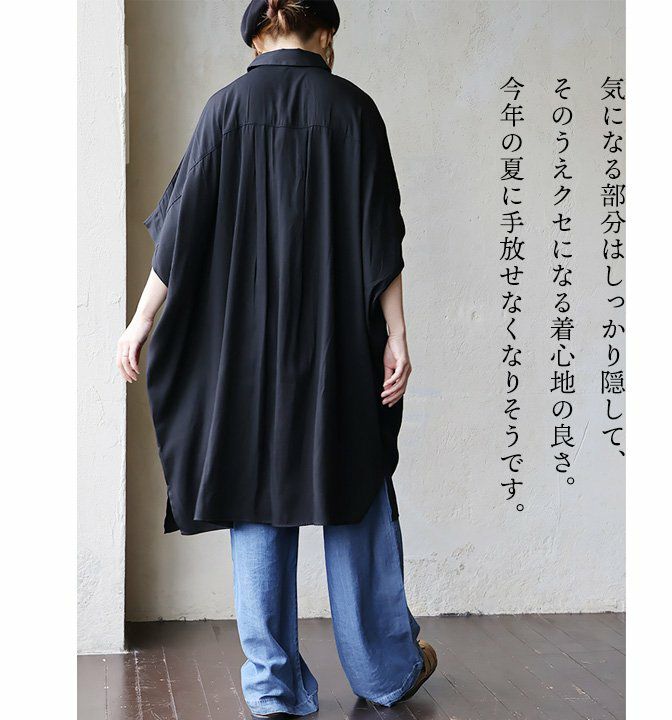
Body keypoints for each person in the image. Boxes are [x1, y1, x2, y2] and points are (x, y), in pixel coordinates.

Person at [116, 0, 436, 714]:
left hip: (245, 360)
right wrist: (397, 334)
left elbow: (178, 235)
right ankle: (384, 671)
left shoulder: (224, 111)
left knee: (256, 499)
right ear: (324, 33)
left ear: (260, 34)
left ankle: (272, 688)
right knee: (355, 488)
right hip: (337, 350)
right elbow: (380, 238)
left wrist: (139, 323)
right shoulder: (354, 111)